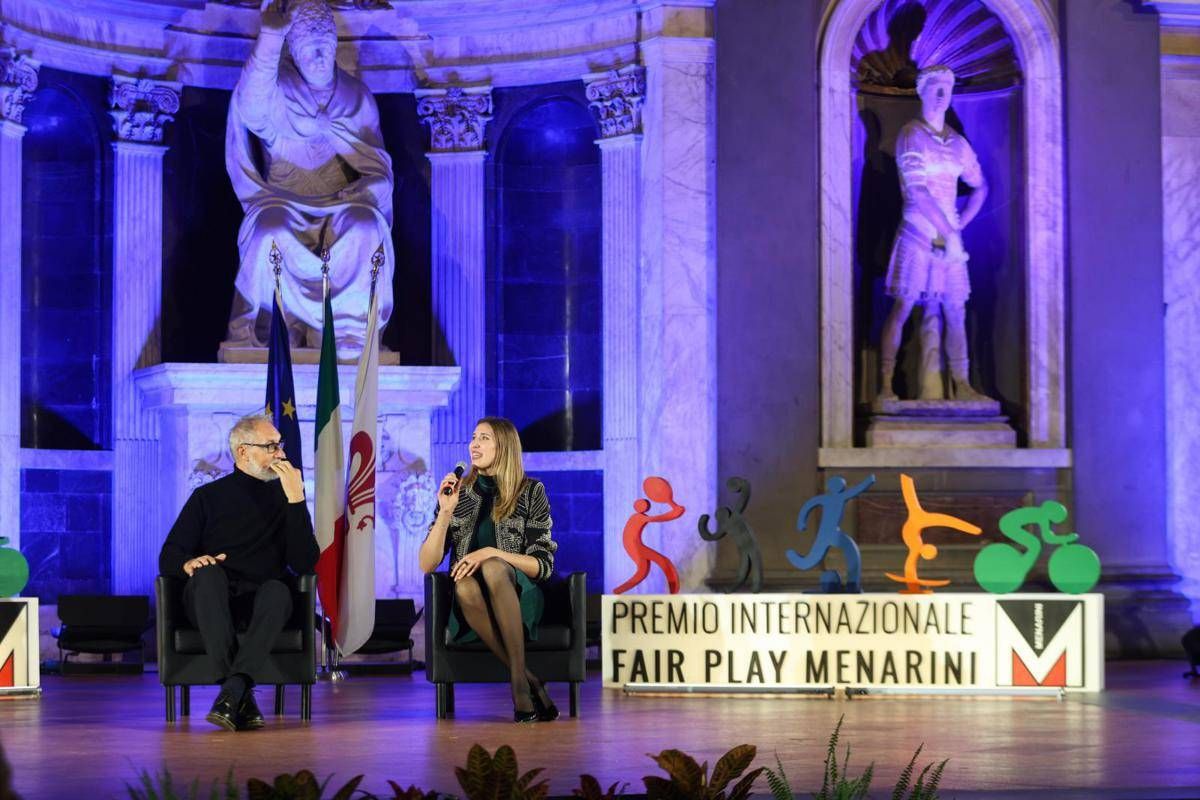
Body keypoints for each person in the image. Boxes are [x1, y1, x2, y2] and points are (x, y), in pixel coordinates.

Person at [223, 0, 395, 359]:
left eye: (324, 48)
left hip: (343, 201)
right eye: (308, 50)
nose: (318, 57)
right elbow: (252, 107)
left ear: (334, 47)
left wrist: (369, 187)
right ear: (295, 54)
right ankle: (271, 326)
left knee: (366, 226)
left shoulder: (355, 96)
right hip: (282, 199)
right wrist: (271, 38)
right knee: (269, 230)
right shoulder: (279, 90)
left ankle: (346, 330)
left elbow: (378, 167)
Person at [159, 413, 318, 731]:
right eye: (271, 446)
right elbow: (169, 555)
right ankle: (239, 690)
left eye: (280, 445)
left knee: (278, 590)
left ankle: (233, 692)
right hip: (211, 601)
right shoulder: (207, 497)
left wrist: (296, 499)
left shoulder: (287, 498)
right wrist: (189, 563)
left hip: (261, 603)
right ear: (243, 451)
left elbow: (305, 563)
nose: (281, 454)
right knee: (208, 573)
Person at [419, 417, 559, 723]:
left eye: (484, 438)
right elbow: (427, 564)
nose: (474, 444)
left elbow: (542, 565)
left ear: (504, 446)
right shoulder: (458, 495)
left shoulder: (530, 492)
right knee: (464, 584)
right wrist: (444, 513)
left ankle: (519, 686)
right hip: (470, 604)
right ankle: (528, 680)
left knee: (494, 567)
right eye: (473, 437)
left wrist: (492, 552)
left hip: (518, 597)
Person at [879, 64, 989, 401]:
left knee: (955, 310)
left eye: (947, 88)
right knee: (904, 306)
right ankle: (885, 386)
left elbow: (980, 187)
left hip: (949, 239)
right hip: (918, 232)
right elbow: (918, 192)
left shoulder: (958, 143)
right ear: (922, 91)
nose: (942, 94)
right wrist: (949, 233)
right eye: (936, 88)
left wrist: (959, 226)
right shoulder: (911, 134)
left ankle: (963, 384)